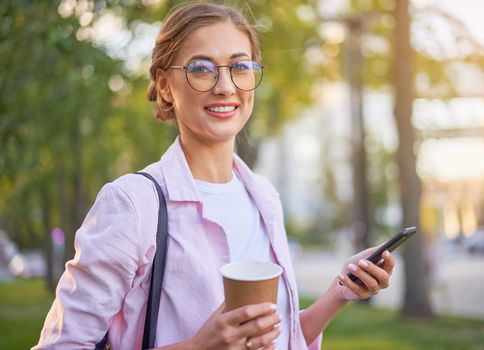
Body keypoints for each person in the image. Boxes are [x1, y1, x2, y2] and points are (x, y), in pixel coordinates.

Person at [34, 2, 395, 349]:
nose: (225, 86)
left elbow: (277, 337)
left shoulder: (263, 197)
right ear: (164, 86)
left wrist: (340, 292)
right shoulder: (133, 204)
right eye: (201, 68)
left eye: (240, 67)